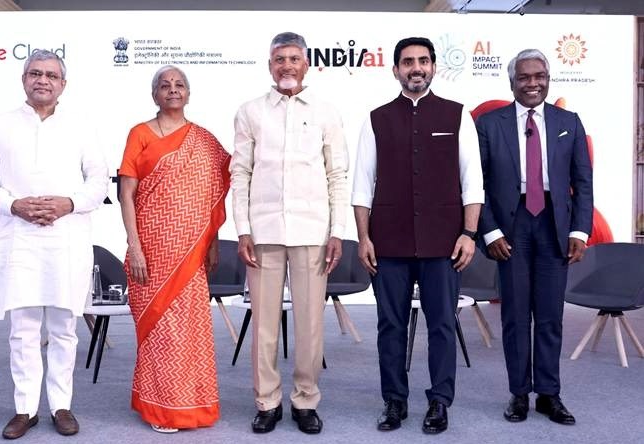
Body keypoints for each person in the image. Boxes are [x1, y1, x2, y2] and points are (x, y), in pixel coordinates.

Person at [0, 49, 108, 439]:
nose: (42, 80)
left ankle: (61, 406)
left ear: (63, 84)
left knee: (65, 328)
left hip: (66, 239)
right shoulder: (0, 126)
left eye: (50, 74)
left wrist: (68, 203)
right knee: (23, 329)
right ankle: (25, 408)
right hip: (18, 240)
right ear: (24, 80)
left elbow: (99, 181)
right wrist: (13, 205)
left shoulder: (81, 125)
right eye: (34, 73)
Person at [352, 37, 483, 434]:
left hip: (443, 242)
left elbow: (472, 181)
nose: (416, 68)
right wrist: (363, 237)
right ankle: (394, 400)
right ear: (396, 70)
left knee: (442, 323)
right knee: (389, 324)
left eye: (423, 61)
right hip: (388, 241)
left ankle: (440, 401)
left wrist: (469, 233)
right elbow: (362, 185)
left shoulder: (457, 116)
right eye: (408, 62)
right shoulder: (375, 119)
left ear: (433, 67)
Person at [231, 31, 349, 435]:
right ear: (269, 66)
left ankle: (305, 399)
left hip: (313, 231)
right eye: (279, 59)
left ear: (305, 64)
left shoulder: (326, 112)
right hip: (262, 231)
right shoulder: (250, 112)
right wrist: (242, 230)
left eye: (293, 59)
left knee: (310, 324)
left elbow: (337, 175)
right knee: (263, 323)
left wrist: (338, 232)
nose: (286, 66)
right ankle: (267, 402)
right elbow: (240, 173)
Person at [475, 49, 592, 426]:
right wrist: (489, 230)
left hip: (554, 227)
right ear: (512, 83)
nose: (533, 83)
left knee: (550, 316)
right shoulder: (490, 125)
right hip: (512, 226)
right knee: (513, 315)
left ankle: (549, 394)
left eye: (539, 75)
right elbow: (477, 185)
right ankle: (519, 394)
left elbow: (582, 183)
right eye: (524, 77)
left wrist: (579, 229)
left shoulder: (568, 122)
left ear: (548, 78)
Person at [118, 65, 230, 434]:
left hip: (191, 252)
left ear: (188, 93)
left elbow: (214, 193)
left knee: (190, 328)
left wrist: (211, 242)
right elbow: (127, 193)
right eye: (164, 85)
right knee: (159, 328)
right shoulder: (140, 134)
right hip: (150, 248)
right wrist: (134, 246)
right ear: (155, 94)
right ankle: (159, 406)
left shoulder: (204, 140)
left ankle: (191, 403)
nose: (172, 90)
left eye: (179, 84)